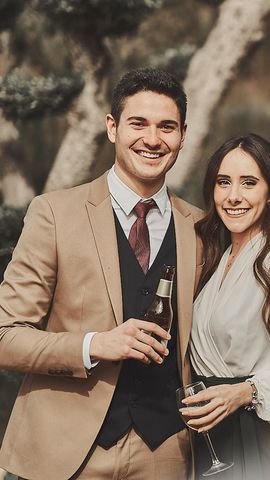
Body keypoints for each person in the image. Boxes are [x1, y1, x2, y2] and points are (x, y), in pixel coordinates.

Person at [0, 67, 203, 480]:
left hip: (165, 453)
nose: (152, 139)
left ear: (183, 135)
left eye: (166, 126)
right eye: (138, 123)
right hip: (66, 453)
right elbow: (6, 336)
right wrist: (94, 345)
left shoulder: (201, 229)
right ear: (112, 128)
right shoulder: (54, 213)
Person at [180, 133, 270, 478]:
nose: (233, 197)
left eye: (248, 183)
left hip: (258, 435)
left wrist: (246, 392)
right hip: (211, 436)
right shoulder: (214, 260)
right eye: (223, 183)